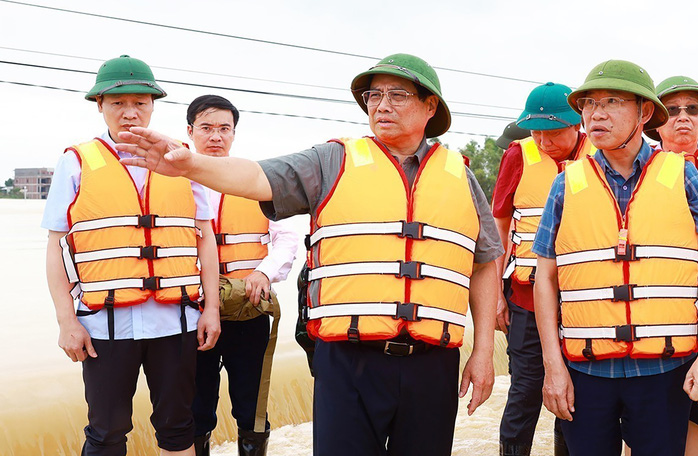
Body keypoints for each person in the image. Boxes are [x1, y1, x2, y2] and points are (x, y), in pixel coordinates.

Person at [115, 52, 504, 456]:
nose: (382, 104)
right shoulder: (331, 160)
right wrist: (190, 164)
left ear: (430, 106)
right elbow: (255, 176)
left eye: (398, 94)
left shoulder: (460, 176)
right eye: (373, 95)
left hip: (433, 363)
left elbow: (483, 263)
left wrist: (482, 355)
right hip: (348, 360)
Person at [531, 60, 698, 456]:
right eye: (588, 103)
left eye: (612, 101)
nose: (595, 113)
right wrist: (553, 366)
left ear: (645, 112)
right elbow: (545, 280)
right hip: (585, 371)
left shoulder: (683, 175)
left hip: (663, 370)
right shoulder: (565, 183)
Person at [42, 55, 221, 456]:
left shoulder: (181, 159)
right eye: (118, 103)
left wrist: (210, 310)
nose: (130, 113)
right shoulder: (76, 161)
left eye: (140, 102)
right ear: (100, 105)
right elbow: (56, 246)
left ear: (154, 105)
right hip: (104, 325)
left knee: (179, 428)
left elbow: (205, 238)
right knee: (106, 431)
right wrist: (65, 321)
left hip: (176, 320)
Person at [185, 95, 298, 456]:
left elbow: (287, 238)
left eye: (224, 129)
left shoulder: (258, 182)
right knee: (196, 403)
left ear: (234, 133)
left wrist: (265, 272)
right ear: (190, 131)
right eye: (206, 128)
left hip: (249, 308)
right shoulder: (174, 182)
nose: (215, 136)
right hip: (193, 309)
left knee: (251, 403)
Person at [492, 82, 593, 456]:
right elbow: (498, 227)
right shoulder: (518, 156)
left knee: (577, 395)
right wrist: (496, 298)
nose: (543, 141)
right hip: (526, 298)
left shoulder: (602, 154)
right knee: (526, 389)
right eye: (535, 132)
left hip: (585, 301)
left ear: (576, 125)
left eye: (552, 133)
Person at [644, 76, 698, 456]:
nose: (683, 117)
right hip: (653, 314)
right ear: (654, 119)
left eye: (692, 109)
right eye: (673, 110)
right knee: (643, 416)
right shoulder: (635, 170)